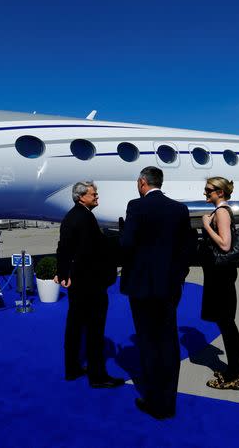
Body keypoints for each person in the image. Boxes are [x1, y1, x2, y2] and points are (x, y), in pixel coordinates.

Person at [120, 166, 194, 419]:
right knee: (168, 342)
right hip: (169, 287)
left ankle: (154, 401)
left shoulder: (136, 206)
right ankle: (168, 402)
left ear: (142, 182)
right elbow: (187, 248)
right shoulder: (179, 209)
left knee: (148, 342)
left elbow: (127, 244)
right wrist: (178, 277)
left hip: (142, 287)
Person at [55, 181, 124, 389]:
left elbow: (63, 247)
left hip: (77, 282)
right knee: (95, 329)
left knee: (74, 326)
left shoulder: (71, 216)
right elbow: (95, 249)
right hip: (91, 283)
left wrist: (63, 271)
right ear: (81, 197)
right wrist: (122, 240)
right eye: (93, 194)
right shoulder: (85, 218)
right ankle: (98, 376)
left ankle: (72, 368)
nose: (97, 197)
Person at [200, 177, 239, 390]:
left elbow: (225, 244)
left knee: (227, 322)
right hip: (220, 274)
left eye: (209, 190)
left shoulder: (220, 212)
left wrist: (205, 226)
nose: (205, 193)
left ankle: (235, 374)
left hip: (221, 274)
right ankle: (236, 370)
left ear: (220, 192)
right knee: (226, 322)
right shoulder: (221, 211)